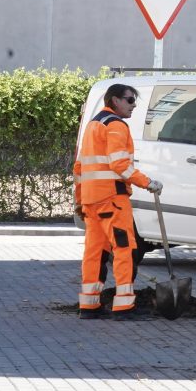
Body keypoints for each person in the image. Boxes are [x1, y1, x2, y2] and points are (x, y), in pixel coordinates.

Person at [73, 84, 162, 320]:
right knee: (125, 250)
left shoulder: (93, 125)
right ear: (115, 100)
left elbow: (79, 168)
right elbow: (120, 165)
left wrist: (80, 201)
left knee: (95, 253)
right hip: (112, 199)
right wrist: (148, 182)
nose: (134, 106)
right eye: (130, 100)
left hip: (93, 201)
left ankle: (89, 306)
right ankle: (124, 306)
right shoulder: (116, 126)